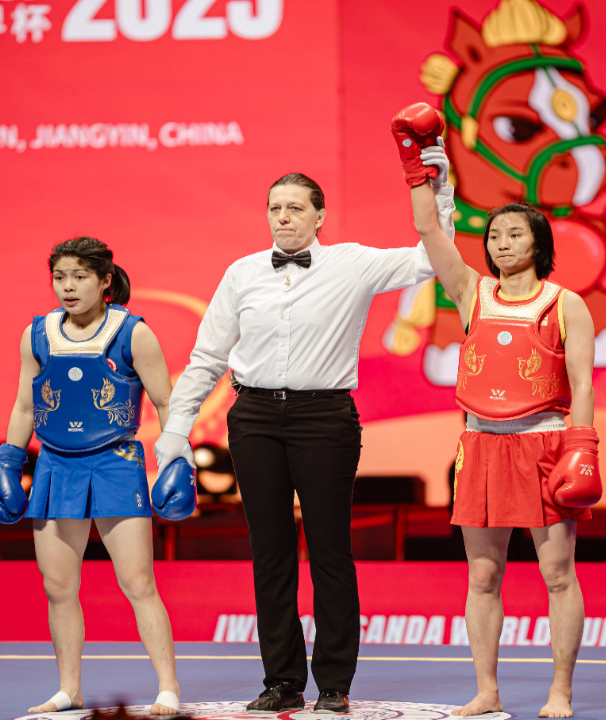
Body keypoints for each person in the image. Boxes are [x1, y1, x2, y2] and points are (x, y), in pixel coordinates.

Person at [153, 170, 449, 715]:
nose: (283, 217)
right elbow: (208, 357)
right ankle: (282, 681)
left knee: (330, 550)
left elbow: (430, 259)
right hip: (254, 418)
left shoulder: (353, 263)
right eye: (275, 208)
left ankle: (334, 684)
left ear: (320, 216)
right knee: (270, 553)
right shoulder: (241, 273)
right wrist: (176, 428)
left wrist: (440, 192)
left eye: (294, 208)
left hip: (325, 418)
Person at [393, 104, 602, 719]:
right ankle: (486, 691)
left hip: (546, 444)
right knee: (482, 577)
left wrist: (581, 447)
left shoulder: (566, 303)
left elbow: (583, 384)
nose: (501, 243)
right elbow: (430, 233)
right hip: (481, 444)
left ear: (539, 243)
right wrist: (416, 170)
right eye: (493, 236)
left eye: (514, 234)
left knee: (557, 575)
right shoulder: (470, 293)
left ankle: (560, 691)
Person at [0, 237, 183, 715]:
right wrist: (9, 461)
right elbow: (25, 406)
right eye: (59, 278)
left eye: (79, 277)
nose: (68, 287)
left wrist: (178, 459)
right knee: (58, 587)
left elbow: (166, 401)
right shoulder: (36, 334)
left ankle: (168, 688)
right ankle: (68, 690)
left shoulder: (133, 333)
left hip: (116, 464)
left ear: (105, 280)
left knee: (138, 582)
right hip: (55, 465)